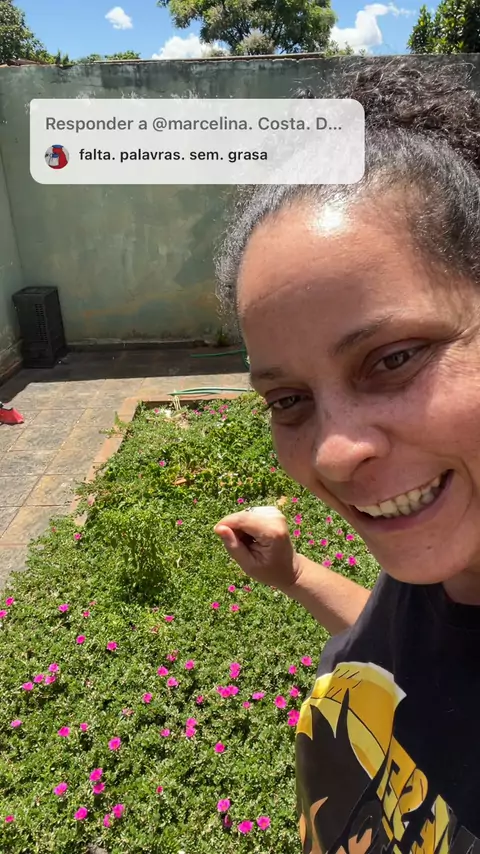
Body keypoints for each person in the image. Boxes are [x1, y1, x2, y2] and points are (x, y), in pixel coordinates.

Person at [213, 57, 480, 851]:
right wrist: (296, 575)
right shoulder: (451, 565)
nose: (332, 455)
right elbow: (417, 651)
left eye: (392, 358)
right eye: (288, 400)